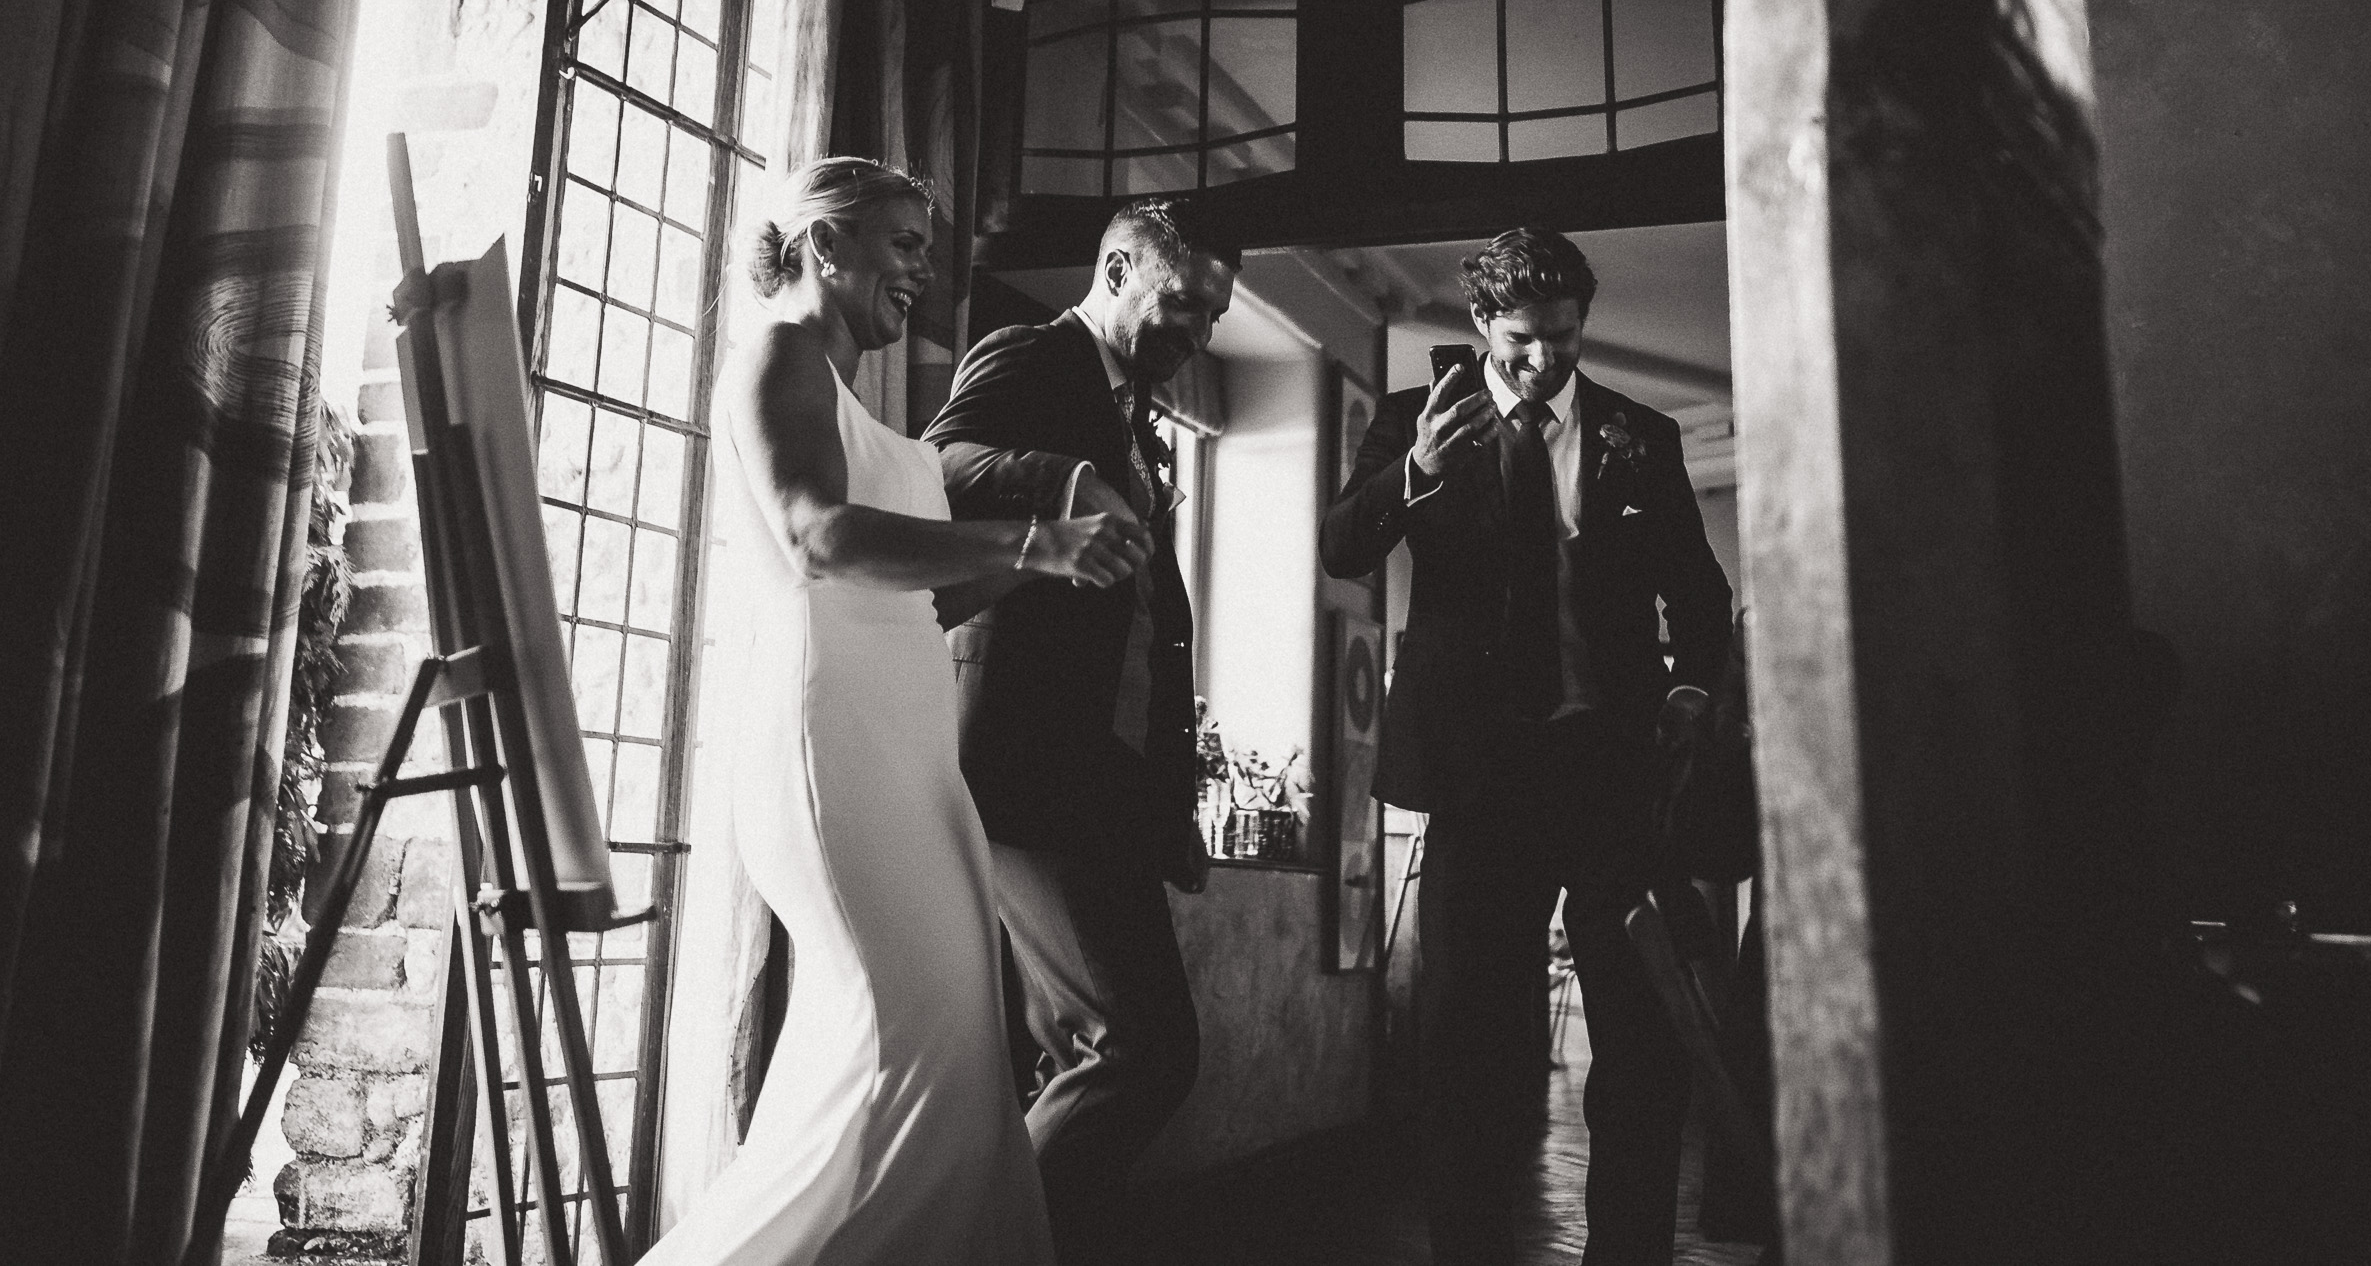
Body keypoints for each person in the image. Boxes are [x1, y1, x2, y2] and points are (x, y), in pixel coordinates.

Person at [643, 158, 1149, 1266]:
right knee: (925, 1051)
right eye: (904, 241)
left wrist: (1052, 566)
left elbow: (929, 598)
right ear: (827, 246)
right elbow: (815, 535)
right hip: (834, 755)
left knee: (912, 1066)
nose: (924, 268)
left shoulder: (855, 398)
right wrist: (1033, 535)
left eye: (925, 244)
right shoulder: (779, 354)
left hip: (907, 756)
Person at [1319, 226, 1735, 1265]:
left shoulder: (1640, 432)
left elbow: (1697, 591)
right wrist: (1411, 470)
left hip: (1614, 783)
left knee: (1640, 1050)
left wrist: (1687, 693)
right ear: (1479, 324)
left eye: (1563, 335)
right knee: (1467, 1054)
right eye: (1521, 339)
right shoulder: (1417, 423)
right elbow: (1339, 545)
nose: (1544, 358)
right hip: (1479, 787)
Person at [923, 197, 1242, 1264]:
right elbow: (938, 464)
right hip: (1025, 757)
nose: (1198, 332)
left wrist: (1168, 802)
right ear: (1115, 268)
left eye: (1213, 316)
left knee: (1072, 1052)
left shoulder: (1142, 414)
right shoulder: (1032, 355)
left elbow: (1154, 627)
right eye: (1184, 304)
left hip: (1103, 779)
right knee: (1141, 1048)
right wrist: (1059, 480)